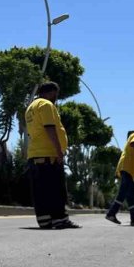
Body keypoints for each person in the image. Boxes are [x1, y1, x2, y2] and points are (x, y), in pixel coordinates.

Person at [25, 82, 80, 230]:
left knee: (41, 191)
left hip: (35, 155)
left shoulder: (30, 108)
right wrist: (58, 151)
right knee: (57, 190)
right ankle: (60, 220)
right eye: (56, 94)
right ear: (50, 92)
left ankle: (45, 221)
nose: (56, 97)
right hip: (48, 155)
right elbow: (50, 128)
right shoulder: (46, 105)